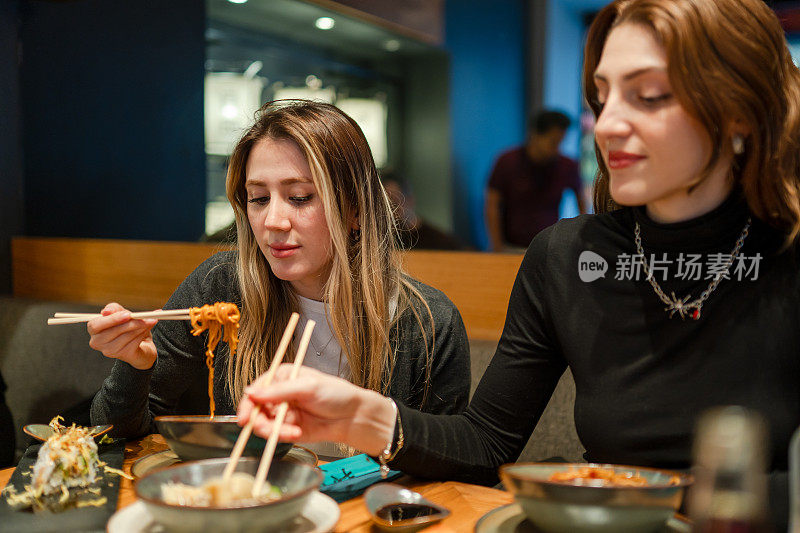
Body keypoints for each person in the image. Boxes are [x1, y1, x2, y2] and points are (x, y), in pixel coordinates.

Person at [240, 0, 800, 527]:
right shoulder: (565, 256)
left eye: (649, 96)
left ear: (739, 114)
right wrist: (362, 418)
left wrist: (637, 496)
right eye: (602, 97)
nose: (605, 126)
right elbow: (486, 444)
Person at [88, 100, 470, 439]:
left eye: (299, 197)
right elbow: (111, 433)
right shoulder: (220, 288)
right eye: (258, 198)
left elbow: (448, 466)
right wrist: (134, 366)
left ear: (355, 209)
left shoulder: (429, 325)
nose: (273, 220)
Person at [485, 110, 587, 252]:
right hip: (512, 246)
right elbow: (492, 203)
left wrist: (579, 239)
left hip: (549, 246)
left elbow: (581, 203)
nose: (557, 149)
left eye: (560, 142)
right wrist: (496, 244)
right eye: (553, 142)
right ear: (535, 135)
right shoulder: (508, 161)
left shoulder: (567, 165)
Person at [381, 173, 467, 251]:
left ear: (410, 200)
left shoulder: (441, 243)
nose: (390, 211)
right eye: (384, 205)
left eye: (395, 202)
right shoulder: (381, 240)